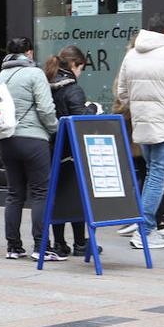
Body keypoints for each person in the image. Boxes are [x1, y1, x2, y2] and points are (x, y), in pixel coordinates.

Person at [116, 14, 164, 249]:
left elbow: (122, 93)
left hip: (143, 124)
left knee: (152, 174)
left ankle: (144, 227)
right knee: (157, 178)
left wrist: (140, 110)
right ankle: (145, 229)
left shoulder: (131, 55)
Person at [0, 37, 58, 261]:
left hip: (6, 140)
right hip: (33, 139)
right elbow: (46, 108)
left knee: (14, 194)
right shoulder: (35, 74)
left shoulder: (0, 76)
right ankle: (41, 246)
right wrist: (54, 129)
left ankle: (13, 246)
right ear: (29, 53)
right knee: (40, 192)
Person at [45, 45, 100, 258]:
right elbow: (80, 118)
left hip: (51, 147)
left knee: (57, 195)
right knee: (77, 194)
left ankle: (59, 243)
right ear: (75, 65)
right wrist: (93, 108)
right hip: (71, 149)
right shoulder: (73, 88)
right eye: (81, 68)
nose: (80, 73)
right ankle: (80, 243)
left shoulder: (48, 83)